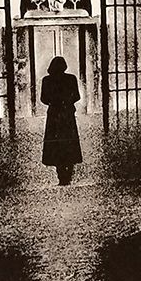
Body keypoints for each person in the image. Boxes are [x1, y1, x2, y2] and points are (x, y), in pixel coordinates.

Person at [40, 56, 82, 185]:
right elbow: (76, 96)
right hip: (67, 113)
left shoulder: (47, 80)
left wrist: (55, 102)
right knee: (69, 141)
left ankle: (60, 173)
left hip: (54, 114)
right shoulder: (71, 79)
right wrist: (66, 102)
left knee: (56, 143)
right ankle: (68, 172)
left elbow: (44, 98)